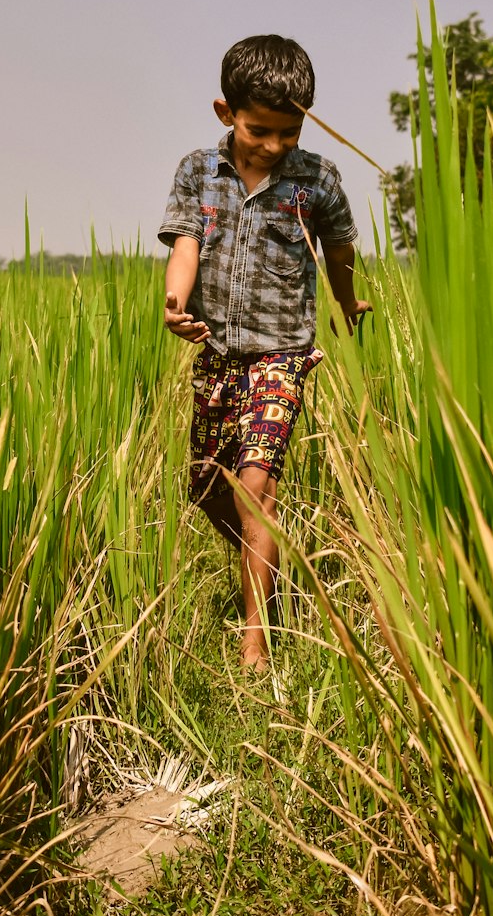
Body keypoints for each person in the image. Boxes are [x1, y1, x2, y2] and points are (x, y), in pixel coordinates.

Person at [157, 34, 371, 671]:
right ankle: (266, 551)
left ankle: (257, 639)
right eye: (260, 130)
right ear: (226, 112)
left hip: (282, 354)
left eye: (290, 131)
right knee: (208, 487)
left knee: (256, 488)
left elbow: (339, 250)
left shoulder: (316, 180)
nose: (276, 145)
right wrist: (176, 301)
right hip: (218, 351)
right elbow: (186, 244)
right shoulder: (199, 170)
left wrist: (345, 301)